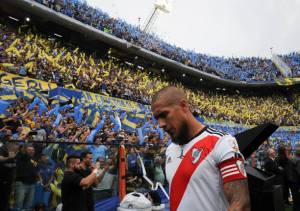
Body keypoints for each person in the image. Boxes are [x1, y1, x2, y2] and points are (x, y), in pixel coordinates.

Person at [151, 86, 250, 211]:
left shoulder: (221, 142)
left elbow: (240, 204)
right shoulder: (170, 149)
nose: (161, 124)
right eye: (157, 118)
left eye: (164, 115)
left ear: (183, 106)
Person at [15, 144, 39, 211]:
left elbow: (36, 169)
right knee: (19, 205)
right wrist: (24, 147)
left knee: (29, 205)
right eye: (29, 150)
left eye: (33, 150)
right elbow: (21, 154)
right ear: (25, 151)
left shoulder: (35, 159)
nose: (31, 151)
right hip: (22, 184)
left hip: (32, 184)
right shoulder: (21, 157)